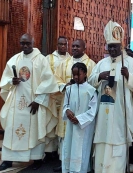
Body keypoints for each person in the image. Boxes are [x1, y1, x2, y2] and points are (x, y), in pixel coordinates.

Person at [0, 34, 59, 171]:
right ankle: (8, 160)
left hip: (34, 104)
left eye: (27, 43)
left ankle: (36, 159)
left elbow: (49, 81)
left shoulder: (41, 60)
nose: (25, 46)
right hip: (17, 103)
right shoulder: (15, 59)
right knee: (11, 129)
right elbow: (5, 79)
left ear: (33, 42)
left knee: (35, 129)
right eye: (22, 43)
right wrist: (11, 82)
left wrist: (38, 100)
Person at [88, 20, 133, 173]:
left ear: (121, 46)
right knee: (102, 140)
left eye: (115, 46)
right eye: (110, 46)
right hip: (104, 108)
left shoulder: (131, 63)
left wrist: (129, 76)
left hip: (120, 111)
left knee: (118, 140)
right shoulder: (101, 63)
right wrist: (99, 76)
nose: (112, 49)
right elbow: (90, 81)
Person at [53, 39, 96, 172]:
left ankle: (82, 168)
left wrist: (81, 118)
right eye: (73, 46)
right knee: (68, 142)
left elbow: (94, 88)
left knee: (81, 145)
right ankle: (65, 164)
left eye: (78, 46)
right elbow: (56, 79)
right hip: (70, 116)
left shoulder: (91, 64)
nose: (74, 48)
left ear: (84, 48)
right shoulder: (64, 63)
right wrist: (67, 111)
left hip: (83, 121)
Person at [61, 62, 98, 173]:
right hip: (71, 125)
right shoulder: (69, 89)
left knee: (82, 148)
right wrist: (67, 111)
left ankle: (80, 170)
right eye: (74, 75)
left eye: (79, 74)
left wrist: (80, 119)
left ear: (85, 74)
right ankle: (68, 169)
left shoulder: (91, 91)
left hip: (84, 127)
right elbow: (65, 105)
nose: (76, 77)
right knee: (69, 145)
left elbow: (93, 110)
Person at [44, 36, 71, 162]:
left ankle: (60, 152)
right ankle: (49, 151)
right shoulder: (48, 59)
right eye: (60, 44)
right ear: (57, 45)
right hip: (52, 96)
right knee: (50, 123)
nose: (63, 46)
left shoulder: (71, 59)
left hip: (66, 97)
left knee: (62, 125)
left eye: (65, 44)